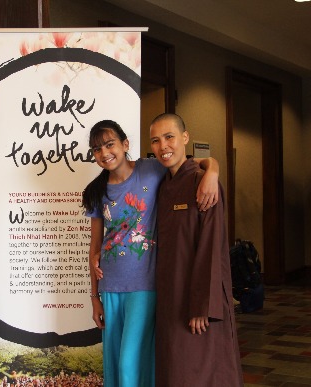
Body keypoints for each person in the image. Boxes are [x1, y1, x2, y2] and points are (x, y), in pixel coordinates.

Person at [81, 119, 219, 387]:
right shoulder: (97, 191)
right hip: (110, 285)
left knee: (130, 361)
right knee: (114, 363)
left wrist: (213, 172)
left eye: (110, 145)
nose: (104, 153)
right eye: (97, 149)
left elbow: (197, 163)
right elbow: (94, 249)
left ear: (125, 145)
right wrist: (94, 297)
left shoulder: (152, 169)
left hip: (145, 285)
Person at [149, 113, 243, 386]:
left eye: (170, 137)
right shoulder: (162, 184)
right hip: (169, 295)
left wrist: (203, 305)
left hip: (198, 298)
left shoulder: (203, 183)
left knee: (202, 369)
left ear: (185, 138)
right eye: (155, 140)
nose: (163, 146)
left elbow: (212, 248)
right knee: (173, 368)